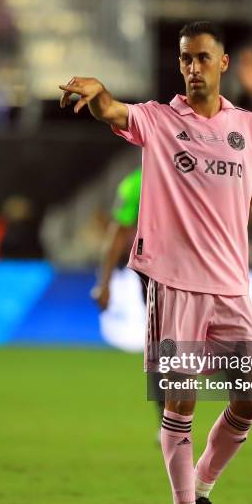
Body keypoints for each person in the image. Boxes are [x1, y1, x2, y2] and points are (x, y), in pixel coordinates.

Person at [59, 20, 252, 504]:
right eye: (185, 59)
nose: (192, 67)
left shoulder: (248, 127)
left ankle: (204, 490)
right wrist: (98, 94)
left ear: (223, 63)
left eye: (201, 58)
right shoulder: (161, 120)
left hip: (233, 288)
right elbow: (114, 112)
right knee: (181, 401)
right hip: (176, 287)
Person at [91, 167, 165, 426]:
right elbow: (119, 231)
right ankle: (168, 422)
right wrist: (105, 282)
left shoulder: (195, 171)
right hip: (155, 271)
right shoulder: (136, 183)